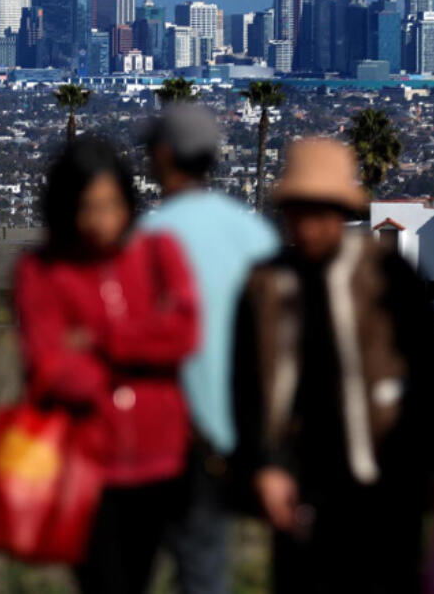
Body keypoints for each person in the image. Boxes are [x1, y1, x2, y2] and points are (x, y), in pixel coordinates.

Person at [232, 137, 434, 594]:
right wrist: (264, 466)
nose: (308, 226)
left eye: (319, 212)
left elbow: (430, 379)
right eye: (298, 211)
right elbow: (245, 385)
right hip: (301, 484)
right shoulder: (266, 285)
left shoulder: (388, 276)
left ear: (339, 211)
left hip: (387, 485)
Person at [13, 137, 199, 594]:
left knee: (139, 579)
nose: (101, 220)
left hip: (161, 460)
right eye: (87, 207)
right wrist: (141, 352)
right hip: (86, 466)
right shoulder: (41, 271)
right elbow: (51, 369)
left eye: (111, 205)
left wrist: (100, 341)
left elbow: (185, 333)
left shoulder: (158, 253)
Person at [140, 104, 279, 594]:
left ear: (162, 156)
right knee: (207, 570)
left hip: (167, 432)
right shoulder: (255, 233)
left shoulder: (151, 237)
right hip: (243, 433)